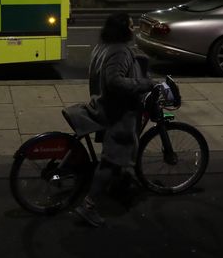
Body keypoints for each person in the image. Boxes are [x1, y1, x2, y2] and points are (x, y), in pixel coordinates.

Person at [62, 12, 157, 227]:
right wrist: (144, 84)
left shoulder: (104, 46)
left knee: (117, 157)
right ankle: (89, 204)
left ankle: (119, 184)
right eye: (131, 26)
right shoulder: (119, 51)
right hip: (117, 113)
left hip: (101, 103)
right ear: (124, 29)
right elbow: (114, 81)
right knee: (112, 160)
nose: (134, 30)